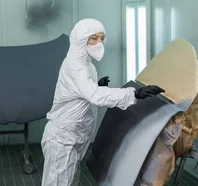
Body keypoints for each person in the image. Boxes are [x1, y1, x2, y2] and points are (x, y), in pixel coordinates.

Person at [40, 18, 165, 186]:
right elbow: (95, 96)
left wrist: (96, 86)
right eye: (93, 38)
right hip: (63, 139)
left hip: (74, 137)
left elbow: (84, 93)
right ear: (80, 39)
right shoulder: (75, 66)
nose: (99, 43)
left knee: (68, 181)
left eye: (101, 38)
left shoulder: (87, 65)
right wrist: (135, 94)